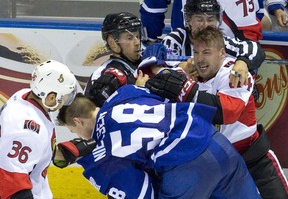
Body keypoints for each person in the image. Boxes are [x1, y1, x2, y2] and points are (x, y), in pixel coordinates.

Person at [145, 26, 288, 199]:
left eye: (206, 52)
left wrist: (187, 90)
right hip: (211, 165)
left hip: (251, 159)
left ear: (222, 53)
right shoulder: (186, 74)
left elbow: (227, 112)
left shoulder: (234, 73)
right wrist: (154, 66)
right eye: (196, 53)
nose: (200, 59)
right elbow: (149, 77)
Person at [55, 88, 261, 198]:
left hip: (185, 167)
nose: (80, 135)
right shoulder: (125, 92)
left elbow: (141, 193)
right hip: (215, 141)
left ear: (77, 121)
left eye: (74, 131)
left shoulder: (107, 150)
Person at [0, 60, 77, 199]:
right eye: (64, 96)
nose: (66, 101)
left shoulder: (23, 95)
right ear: (51, 97)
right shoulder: (28, 130)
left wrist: (55, 152)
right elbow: (11, 183)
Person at [162, 0, 266, 88]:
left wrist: (243, 62)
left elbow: (255, 49)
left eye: (210, 19)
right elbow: (157, 67)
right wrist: (180, 69)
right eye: (199, 19)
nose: (205, 25)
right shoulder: (174, 40)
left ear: (217, 21)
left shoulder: (220, 41)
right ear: (188, 20)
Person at [140, 0, 262, 43]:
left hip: (229, 59)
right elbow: (152, 9)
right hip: (187, 55)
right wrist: (150, 41)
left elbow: (251, 32)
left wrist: (244, 60)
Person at [84, 12, 145, 107]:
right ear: (112, 43)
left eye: (137, 36)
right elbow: (95, 116)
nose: (137, 42)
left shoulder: (147, 62)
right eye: (129, 38)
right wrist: (136, 91)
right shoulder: (103, 75)